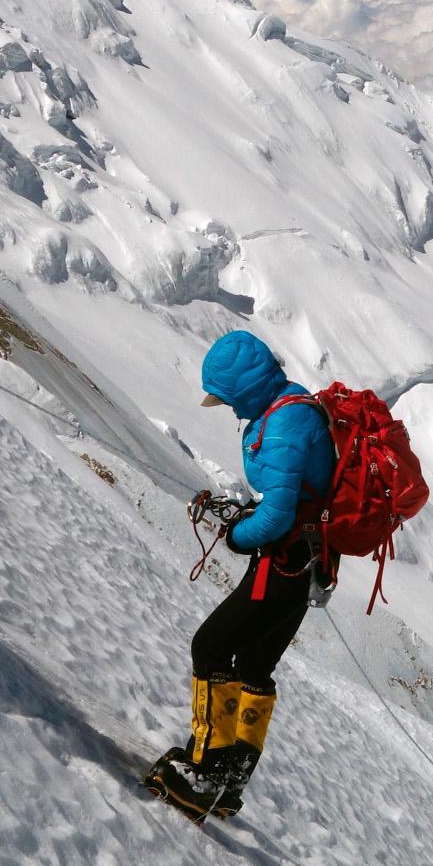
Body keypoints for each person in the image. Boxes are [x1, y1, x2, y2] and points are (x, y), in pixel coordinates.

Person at [148, 329, 337, 819]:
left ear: (247, 388)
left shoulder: (280, 426)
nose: (230, 410)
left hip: (284, 564)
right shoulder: (293, 405)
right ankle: (227, 781)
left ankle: (203, 768)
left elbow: (275, 517)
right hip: (306, 562)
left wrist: (235, 537)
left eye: (230, 399)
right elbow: (289, 496)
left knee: (210, 647)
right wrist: (244, 511)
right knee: (252, 665)